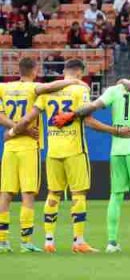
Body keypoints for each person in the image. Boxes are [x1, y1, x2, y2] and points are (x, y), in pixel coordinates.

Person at [10, 59, 121, 253]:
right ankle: (78, 242)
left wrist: (13, 131)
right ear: (80, 72)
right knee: (78, 194)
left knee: (53, 194)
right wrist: (114, 130)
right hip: (75, 150)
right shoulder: (81, 90)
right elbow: (88, 121)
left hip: (53, 151)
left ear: (64, 71)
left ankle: (49, 240)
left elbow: (29, 117)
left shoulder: (47, 92)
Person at [70, 71, 130, 253]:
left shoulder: (113, 90)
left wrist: (72, 114)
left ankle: (112, 243)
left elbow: (92, 107)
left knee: (115, 196)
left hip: (117, 151)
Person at [0, 58, 88, 253]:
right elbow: (51, 86)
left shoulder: (4, 87)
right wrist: (73, 81)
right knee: (28, 194)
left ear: (18, 70)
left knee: (5, 194)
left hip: (9, 148)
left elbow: (0, 115)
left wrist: (13, 130)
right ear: (35, 70)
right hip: (29, 146)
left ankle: (3, 240)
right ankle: (26, 241)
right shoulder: (35, 88)